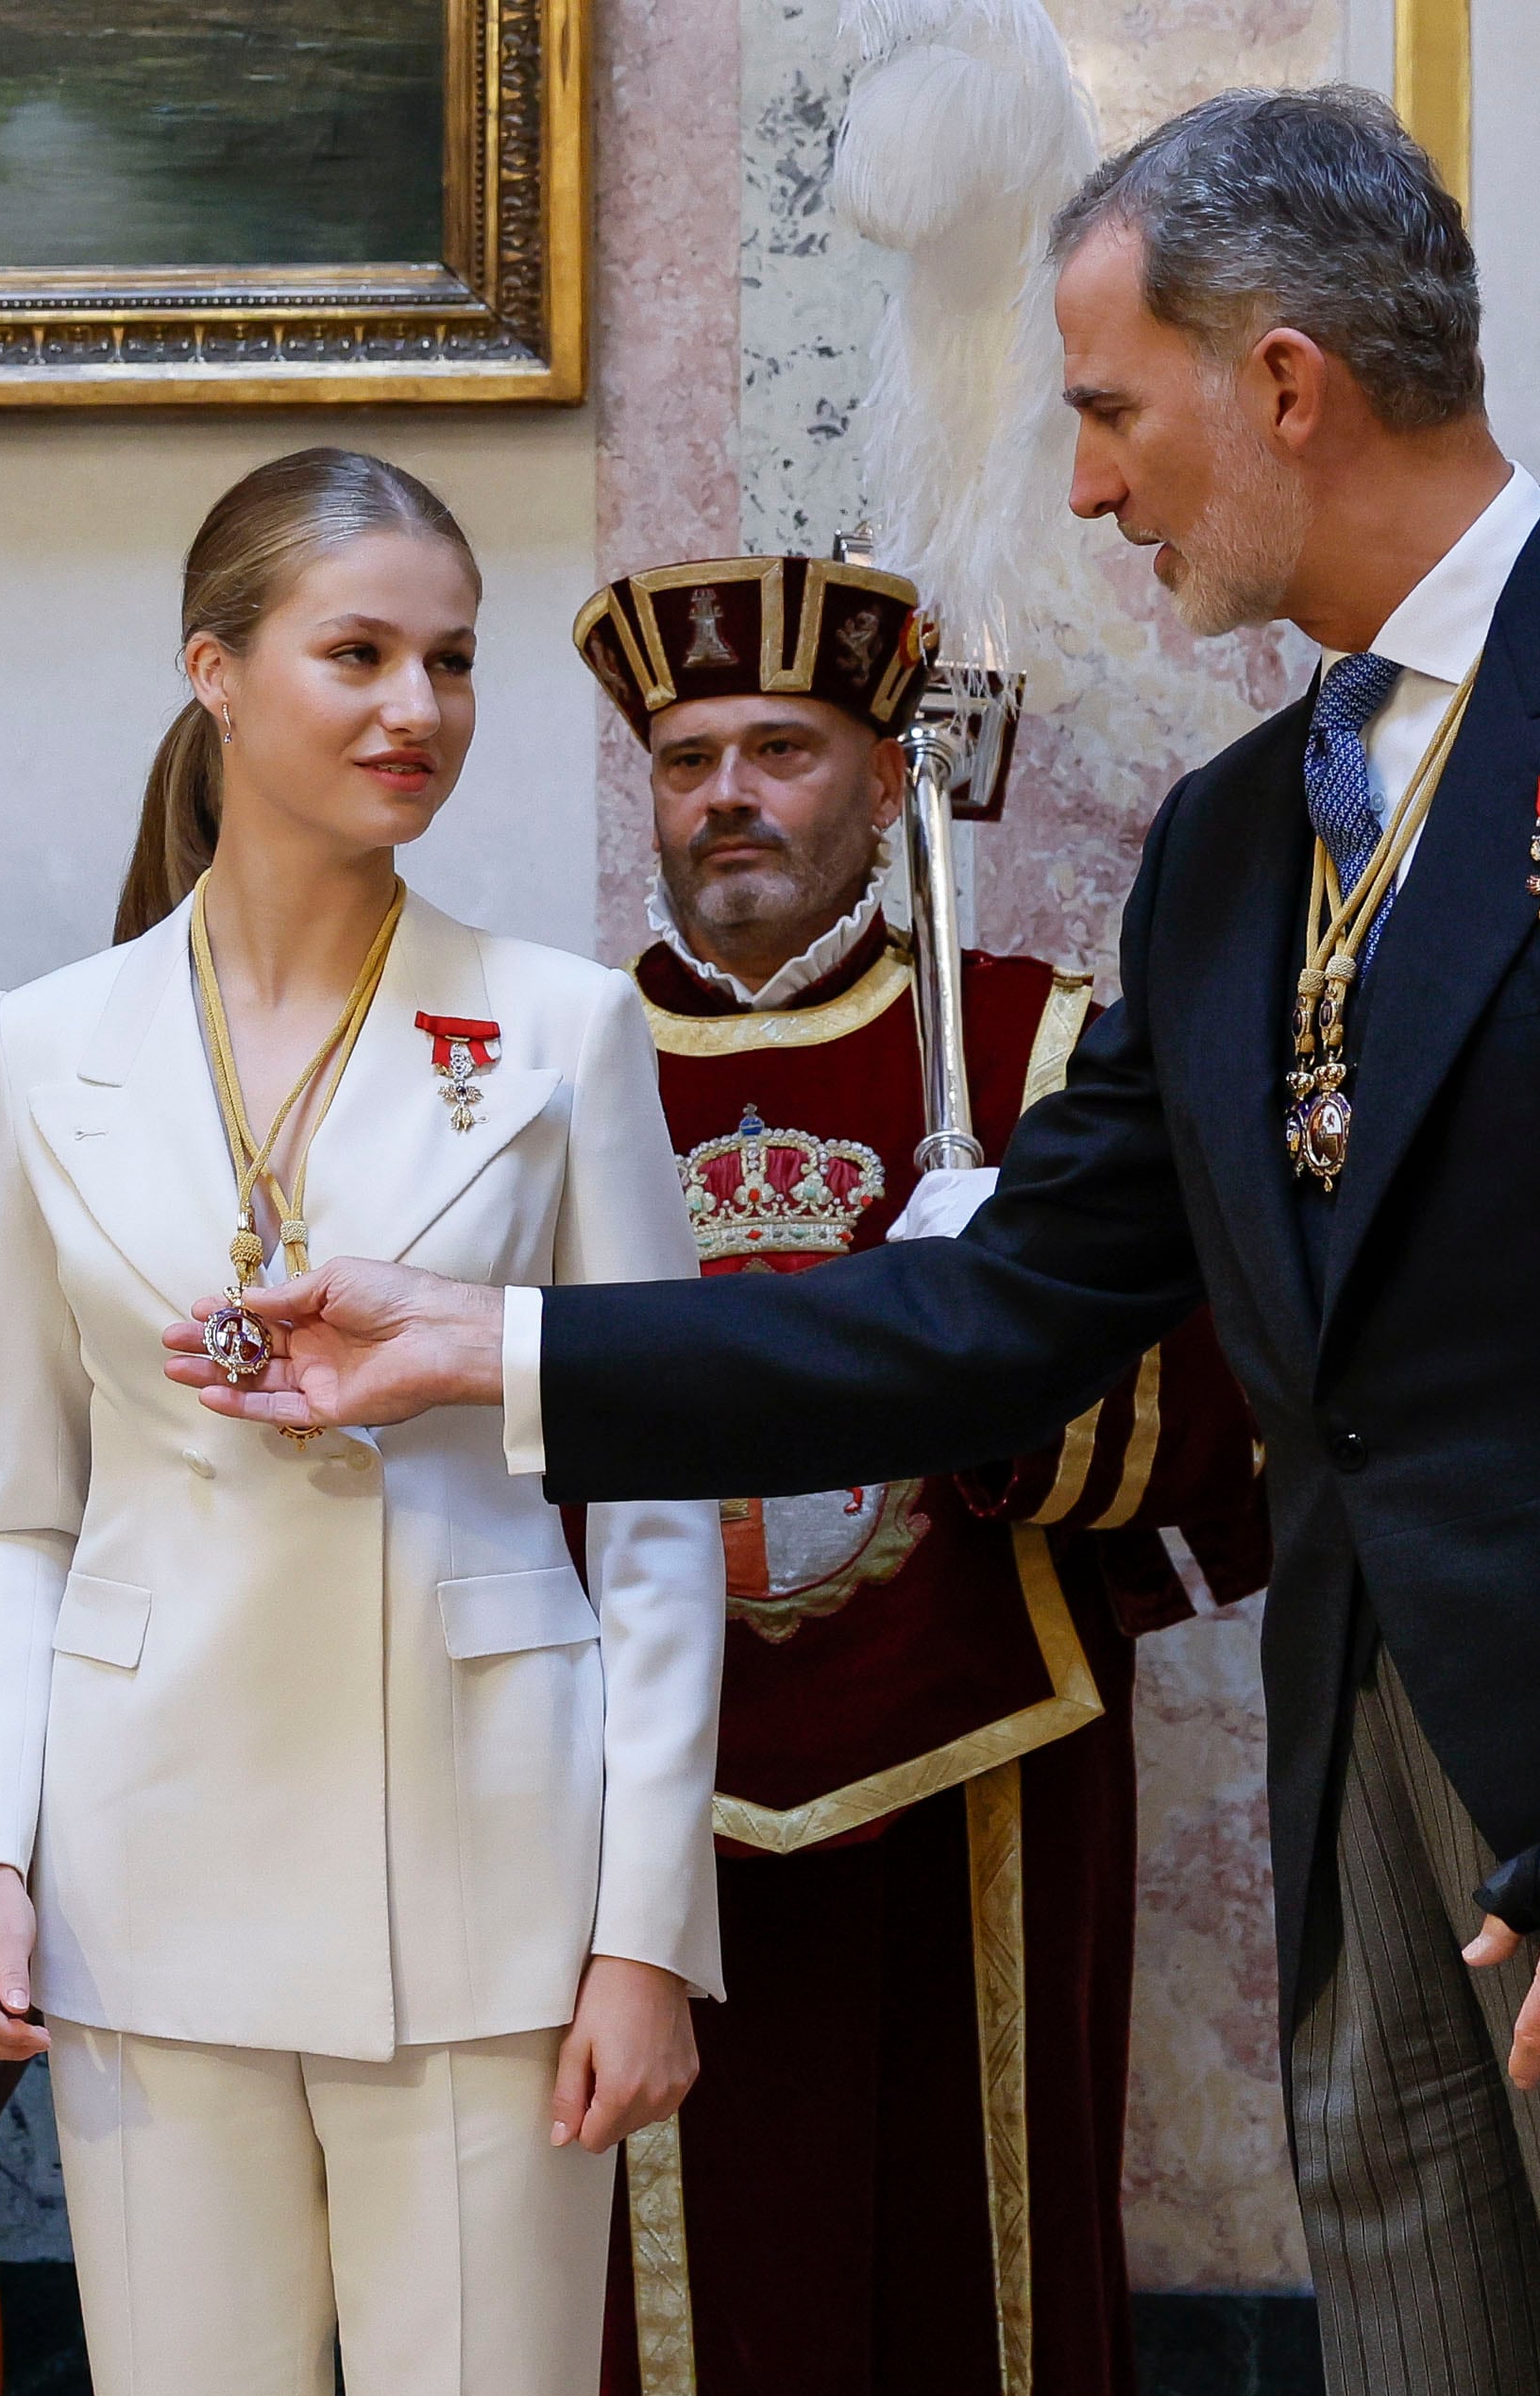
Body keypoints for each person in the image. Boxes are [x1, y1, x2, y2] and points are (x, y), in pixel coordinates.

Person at [171, 93, 1540, 2396]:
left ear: (1283, 382)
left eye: (1104, 412)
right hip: (1370, 1825)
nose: (1084, 487)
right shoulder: (1235, 838)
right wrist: (489, 1345)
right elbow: (1000, 1310)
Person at [0, 446, 728, 2396]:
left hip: (485, 1884)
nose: (416, 711)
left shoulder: (558, 1031)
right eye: (356, 653)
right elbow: (14, 1508)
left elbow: (653, 1515)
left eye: (449, 663)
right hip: (142, 1875)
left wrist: (646, 1931)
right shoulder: (49, 1044)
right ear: (213, 670)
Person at [575, 549, 1267, 2396]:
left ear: (892, 782)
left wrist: (1022, 1338)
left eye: (780, 751)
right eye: (685, 757)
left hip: (977, 1771)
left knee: (975, 2288)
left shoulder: (1041, 1053)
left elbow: (1209, 1430)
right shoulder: (547, 1068)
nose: (724, 794)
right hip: (632, 1804)